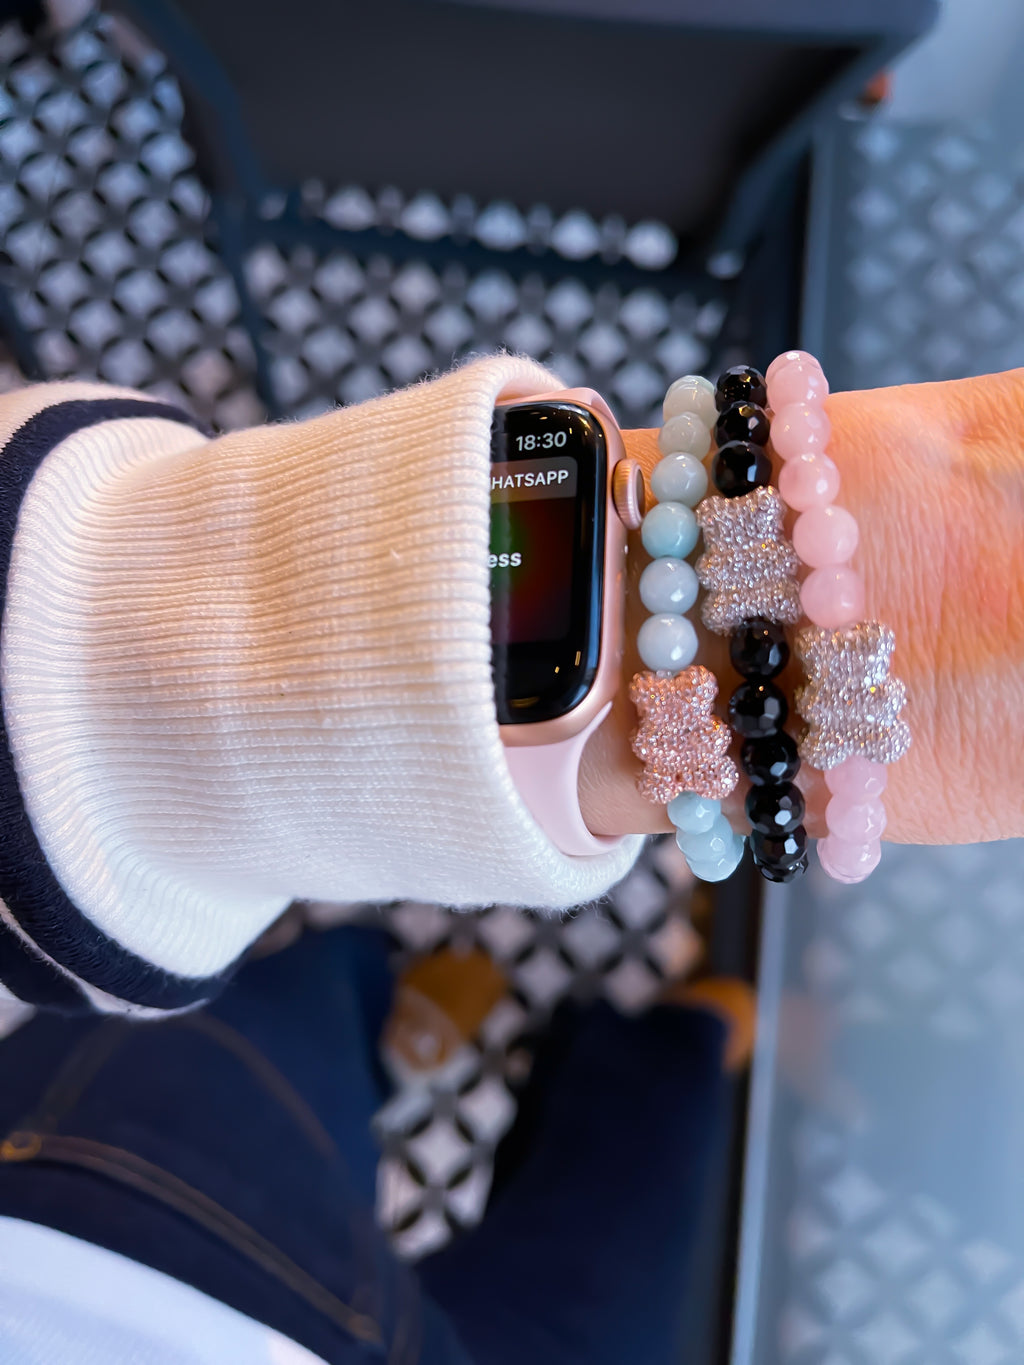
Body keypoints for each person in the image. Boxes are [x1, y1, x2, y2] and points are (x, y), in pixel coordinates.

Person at [0, 357, 1019, 1362]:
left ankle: (424, 1027)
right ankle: (657, 1034)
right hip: (171, 1212)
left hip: (75, 1196)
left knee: (301, 1003)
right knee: (634, 1185)